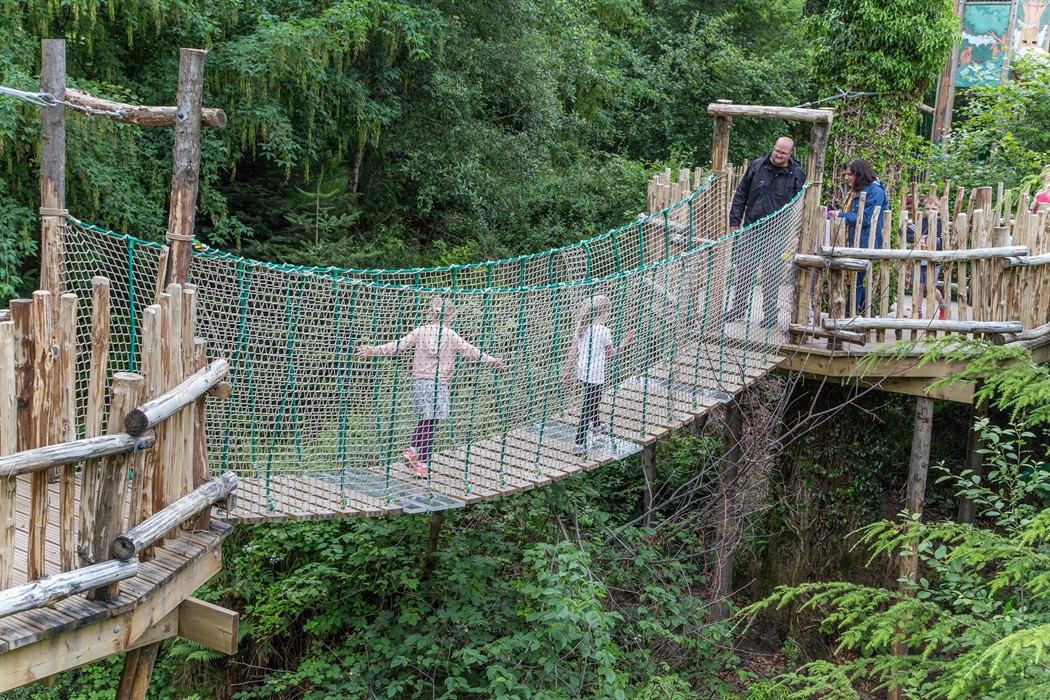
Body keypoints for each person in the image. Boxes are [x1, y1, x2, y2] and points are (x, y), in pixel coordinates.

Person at [355, 297, 507, 476]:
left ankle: (414, 452)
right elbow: (472, 351)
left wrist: (373, 350)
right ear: (449, 316)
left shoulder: (420, 331)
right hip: (437, 384)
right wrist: (492, 361)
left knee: (427, 420)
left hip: (418, 384)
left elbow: (397, 346)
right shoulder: (450, 335)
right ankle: (421, 461)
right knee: (431, 423)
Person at [727, 136, 806, 327]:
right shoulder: (757, 166)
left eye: (783, 153)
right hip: (752, 225)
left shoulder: (796, 173)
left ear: (790, 154)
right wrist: (735, 219)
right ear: (773, 148)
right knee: (744, 267)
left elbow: (801, 203)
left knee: (771, 271)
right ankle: (738, 308)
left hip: (777, 229)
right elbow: (741, 193)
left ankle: (770, 314)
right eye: (777, 151)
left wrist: (797, 231)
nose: (779, 155)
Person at [562, 295, 636, 454]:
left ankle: (597, 425)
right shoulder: (604, 331)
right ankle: (578, 443)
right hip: (595, 374)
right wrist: (626, 341)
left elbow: (573, 351)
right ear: (603, 313)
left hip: (582, 372)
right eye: (608, 311)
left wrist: (567, 371)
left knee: (592, 399)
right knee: (589, 405)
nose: (609, 314)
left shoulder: (581, 328)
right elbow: (612, 354)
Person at [828, 158, 888, 313]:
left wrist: (841, 215)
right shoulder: (854, 189)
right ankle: (865, 311)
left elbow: (866, 218)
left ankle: (850, 313)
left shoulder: (875, 191)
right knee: (854, 279)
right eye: (846, 174)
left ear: (860, 174)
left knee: (857, 279)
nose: (846, 177)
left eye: (850, 174)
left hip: (865, 241)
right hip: (851, 239)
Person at [906, 198, 946, 319]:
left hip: (933, 261)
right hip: (920, 260)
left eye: (933, 209)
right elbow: (907, 233)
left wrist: (934, 245)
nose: (930, 211)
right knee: (919, 287)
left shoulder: (941, 224)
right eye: (927, 209)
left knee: (931, 287)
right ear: (924, 210)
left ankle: (942, 305)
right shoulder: (920, 222)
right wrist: (917, 239)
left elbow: (944, 242)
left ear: (939, 210)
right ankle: (917, 311)